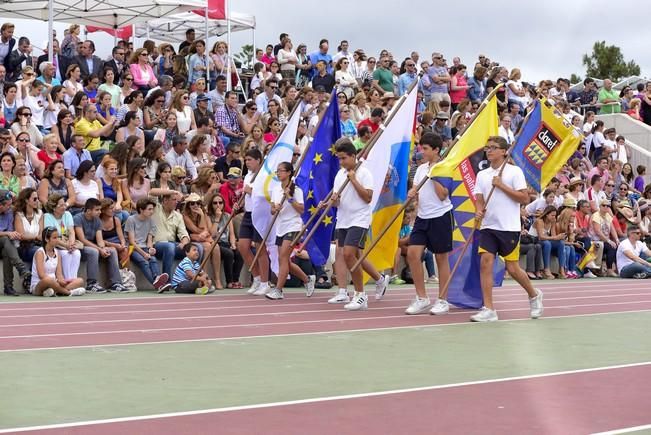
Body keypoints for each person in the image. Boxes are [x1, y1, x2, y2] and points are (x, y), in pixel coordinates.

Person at [471, 136, 543, 322]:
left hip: (509, 227)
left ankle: (534, 295)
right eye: (487, 148)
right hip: (488, 226)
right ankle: (489, 308)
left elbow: (524, 199)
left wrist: (501, 185)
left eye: (494, 148)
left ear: (504, 151)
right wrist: (478, 212)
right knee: (485, 263)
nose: (489, 151)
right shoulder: (482, 175)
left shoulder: (514, 172)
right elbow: (479, 200)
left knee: (512, 268)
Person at [324, 139, 388, 310]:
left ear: (353, 156)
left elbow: (367, 197)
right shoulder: (339, 175)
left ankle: (360, 295)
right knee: (351, 256)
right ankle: (379, 279)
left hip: (359, 219)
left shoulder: (364, 173)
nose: (341, 162)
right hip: (343, 219)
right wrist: (334, 200)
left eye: (344, 158)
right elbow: (338, 201)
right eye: (339, 159)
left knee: (349, 254)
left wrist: (353, 180)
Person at [404, 133, 454, 315]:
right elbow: (417, 191)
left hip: (441, 216)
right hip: (422, 218)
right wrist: (412, 193)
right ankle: (422, 298)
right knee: (412, 253)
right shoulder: (420, 168)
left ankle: (442, 300)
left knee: (441, 258)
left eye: (425, 149)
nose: (421, 151)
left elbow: (442, 195)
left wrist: (434, 176)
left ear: (436, 150)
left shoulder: (445, 167)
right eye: (421, 148)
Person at [265, 162, 316, 300]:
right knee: (285, 261)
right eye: (277, 171)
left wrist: (289, 198)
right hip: (280, 227)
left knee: (282, 258)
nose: (278, 173)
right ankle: (307, 279)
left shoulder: (296, 190)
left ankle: (278, 289)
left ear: (288, 173)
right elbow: (272, 209)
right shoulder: (275, 189)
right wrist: (274, 209)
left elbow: (301, 209)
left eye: (281, 171)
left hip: (293, 226)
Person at [73, 197, 126, 293]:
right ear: (88, 211)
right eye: (97, 210)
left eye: (100, 209)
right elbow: (82, 239)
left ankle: (115, 283)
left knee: (112, 250)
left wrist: (103, 248)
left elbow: (100, 240)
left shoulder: (97, 220)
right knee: (93, 251)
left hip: (93, 246)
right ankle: (91, 284)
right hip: (79, 247)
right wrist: (99, 249)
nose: (100, 212)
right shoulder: (78, 218)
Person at [238, 149, 271, 296]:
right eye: (246, 160)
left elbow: (268, 195)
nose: (247, 163)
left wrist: (252, 192)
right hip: (248, 213)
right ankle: (256, 278)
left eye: (250, 159)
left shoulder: (265, 175)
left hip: (261, 215)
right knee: (243, 246)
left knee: (260, 249)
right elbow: (246, 196)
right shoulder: (247, 176)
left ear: (258, 160)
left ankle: (265, 282)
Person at [125, 198, 171, 291]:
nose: (152, 211)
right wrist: (144, 254)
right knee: (144, 262)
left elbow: (149, 240)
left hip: (144, 247)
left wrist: (150, 248)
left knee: (153, 259)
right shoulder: (131, 219)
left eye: (152, 209)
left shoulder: (151, 221)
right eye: (149, 209)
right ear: (141, 210)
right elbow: (132, 241)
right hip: (132, 248)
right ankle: (158, 285)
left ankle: (158, 281)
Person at [29, 227, 86, 297]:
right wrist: (55, 282)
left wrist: (62, 281)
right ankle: (68, 292)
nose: (57, 240)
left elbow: (59, 275)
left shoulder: (57, 253)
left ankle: (55, 291)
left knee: (80, 281)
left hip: (55, 283)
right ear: (47, 239)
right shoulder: (40, 253)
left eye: (58, 237)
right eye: (54, 238)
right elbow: (42, 276)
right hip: (39, 285)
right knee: (48, 280)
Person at [206, 191, 243, 290]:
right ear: (211, 204)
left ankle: (235, 280)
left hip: (226, 243)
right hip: (216, 244)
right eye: (215, 203)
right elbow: (212, 234)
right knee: (229, 254)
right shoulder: (208, 216)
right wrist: (217, 218)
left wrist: (233, 244)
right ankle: (229, 281)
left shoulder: (227, 216)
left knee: (239, 253)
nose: (218, 205)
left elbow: (231, 234)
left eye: (220, 202)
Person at [41, 193, 82, 280]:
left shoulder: (67, 214)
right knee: (65, 254)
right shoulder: (47, 216)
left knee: (76, 253)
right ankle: (67, 280)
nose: (64, 207)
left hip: (67, 243)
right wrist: (66, 246)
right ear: (54, 207)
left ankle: (73, 280)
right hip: (55, 245)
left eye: (64, 204)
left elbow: (71, 232)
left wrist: (71, 244)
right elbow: (52, 237)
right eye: (61, 205)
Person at [0, 189, 31, 295]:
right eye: (8, 205)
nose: (10, 207)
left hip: (5, 244)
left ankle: (8, 287)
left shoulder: (9, 213)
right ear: (0, 205)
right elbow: (7, 233)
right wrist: (8, 233)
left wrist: (14, 234)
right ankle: (21, 267)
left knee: (6, 251)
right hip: (3, 239)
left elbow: (9, 231)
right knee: (5, 239)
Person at [13, 187, 43, 264]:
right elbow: (21, 236)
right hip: (23, 247)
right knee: (40, 252)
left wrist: (38, 237)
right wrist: (36, 237)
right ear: (26, 200)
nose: (37, 201)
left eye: (38, 199)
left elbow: (41, 233)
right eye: (35, 199)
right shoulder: (19, 215)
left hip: (37, 244)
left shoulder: (39, 213)